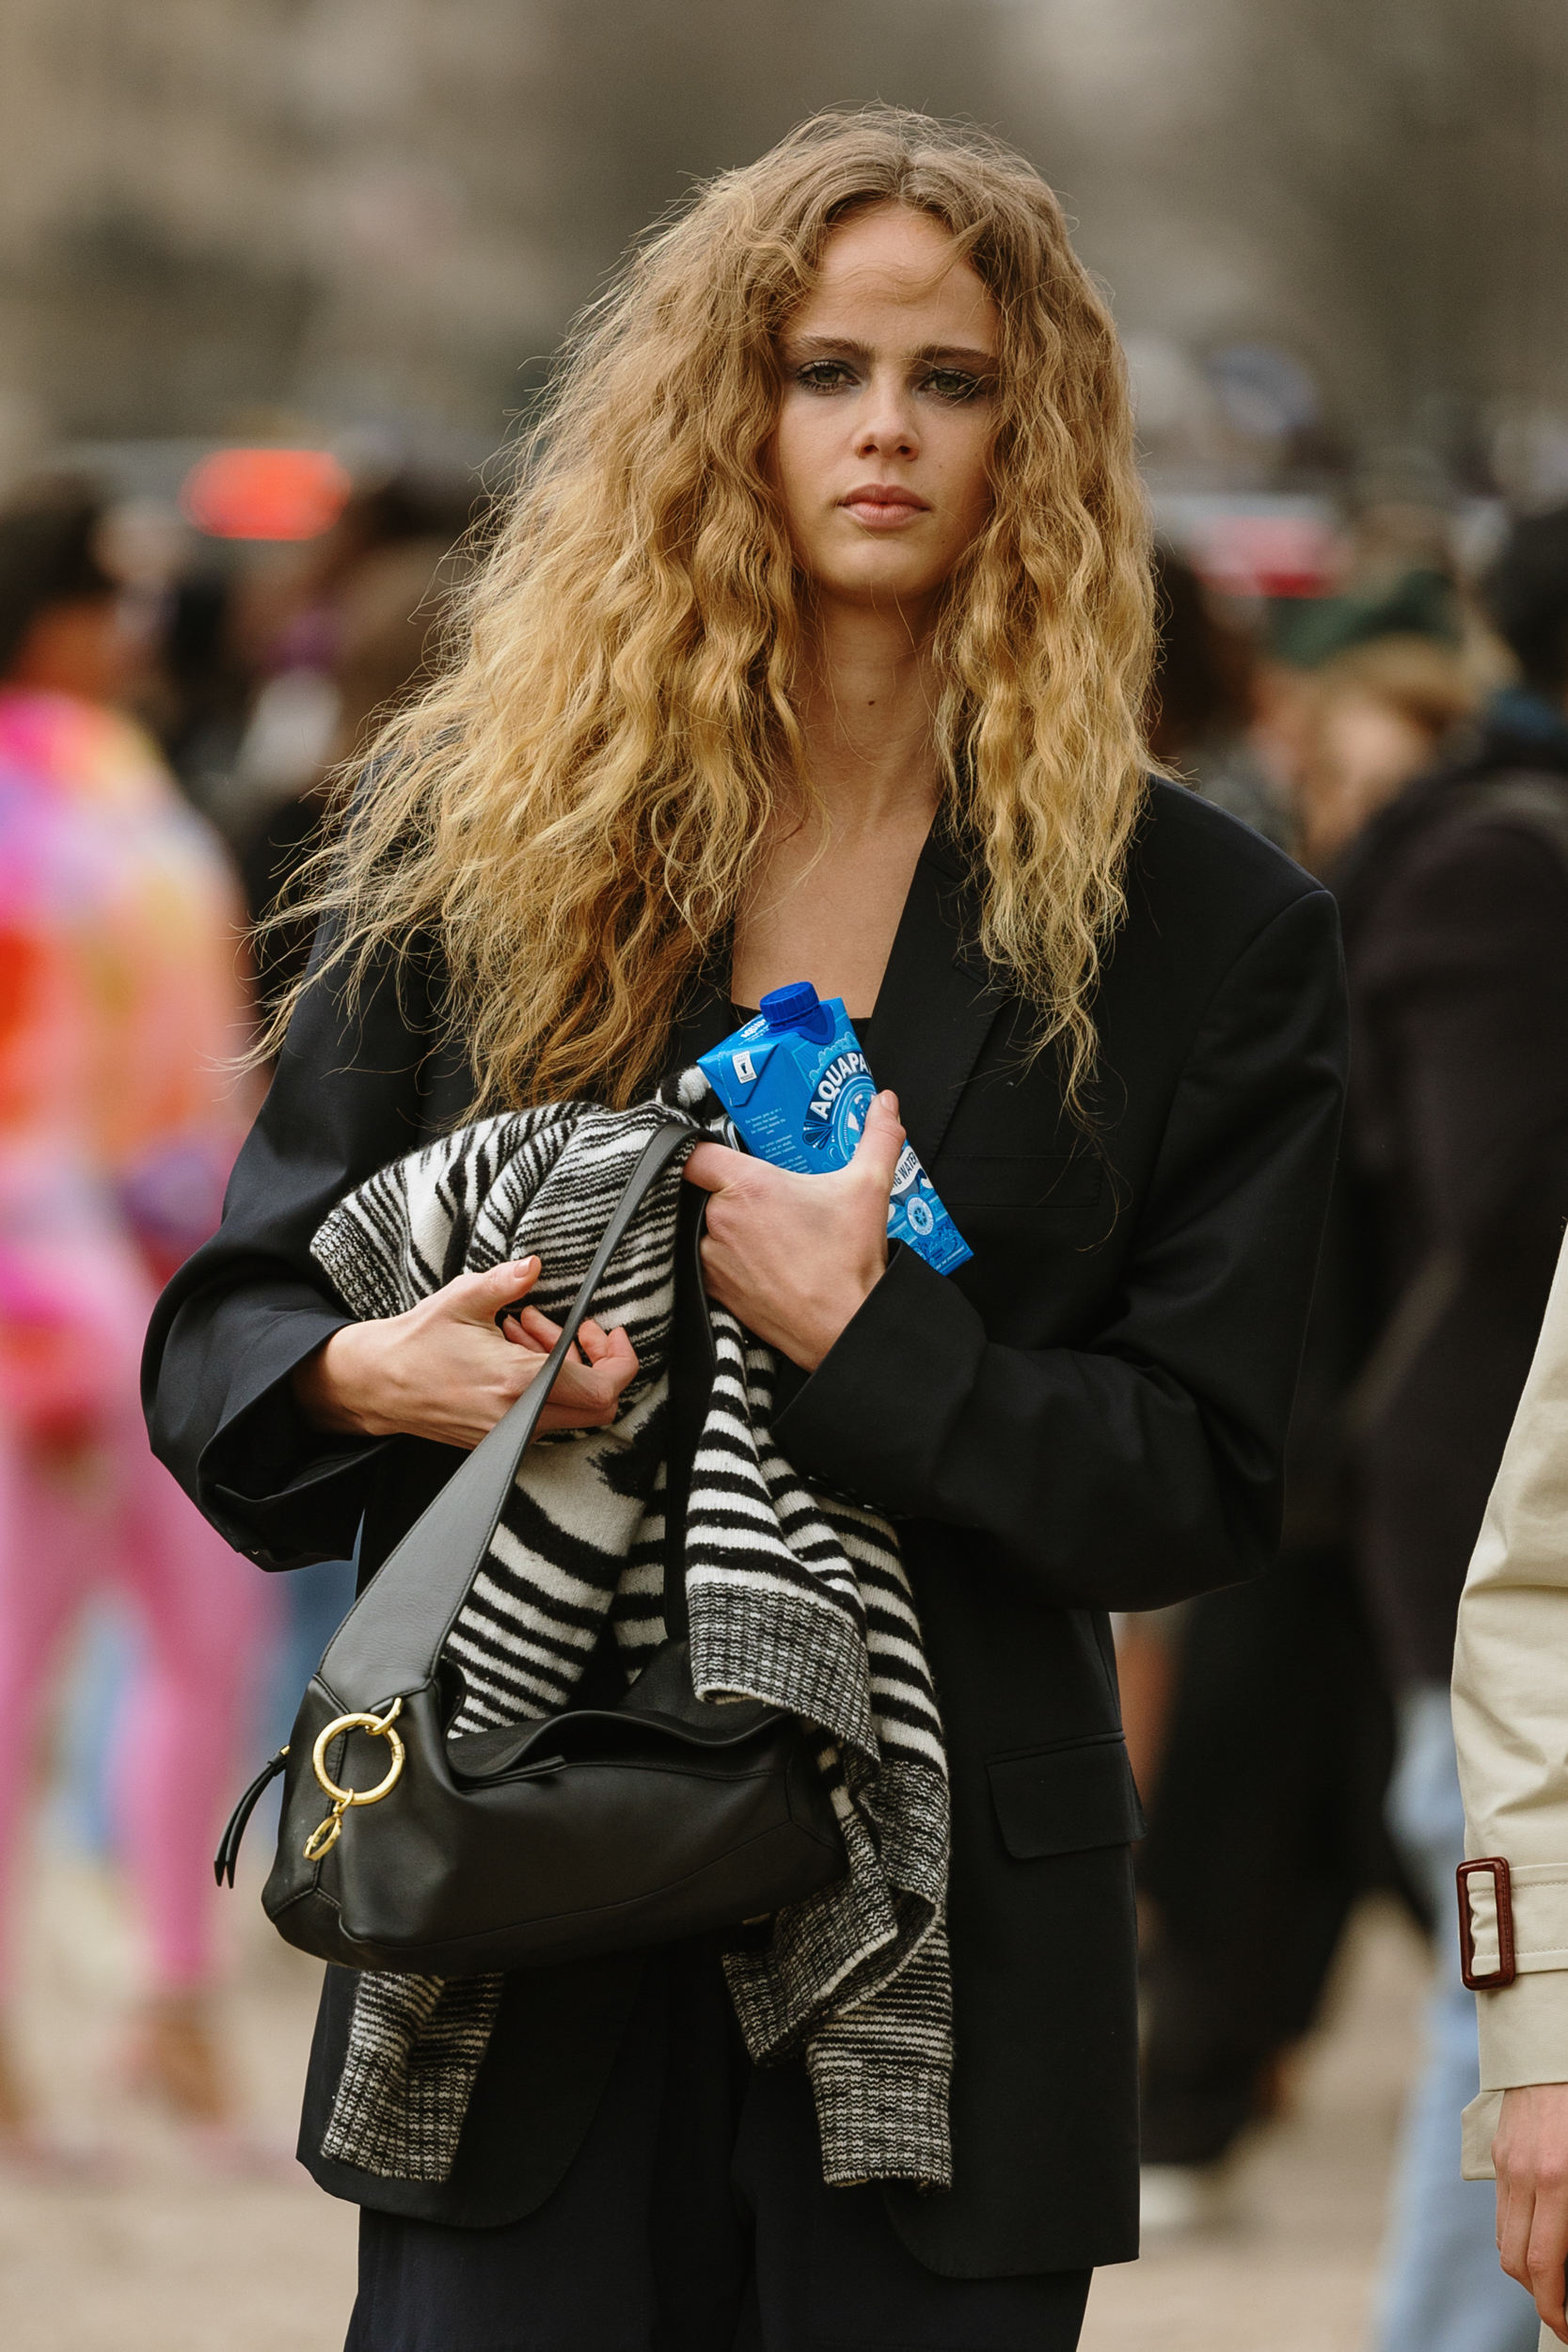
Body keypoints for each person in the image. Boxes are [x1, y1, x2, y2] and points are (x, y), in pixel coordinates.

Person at [143, 109, 1345, 2352]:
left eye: (951, 377)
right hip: (520, 1906)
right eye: (819, 369)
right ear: (728, 414)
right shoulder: (489, 849)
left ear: (1039, 435)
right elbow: (228, 1321)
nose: (884, 426)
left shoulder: (1209, 927)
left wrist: (870, 1333)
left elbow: (1202, 1476)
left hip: (948, 1951)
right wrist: (371, 1370)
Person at [0, 478, 266, 2143]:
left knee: (198, 1647)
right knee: (40, 1665)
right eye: (115, 596)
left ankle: (171, 1998)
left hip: (163, 1282)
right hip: (60, 1289)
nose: (140, 630)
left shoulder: (119, 778)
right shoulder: (71, 796)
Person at [1333, 509, 1568, 2352]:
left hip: (1497, 1500)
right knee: (1508, 2034)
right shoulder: (1498, 867)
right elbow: (1503, 1190)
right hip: (1503, 1526)